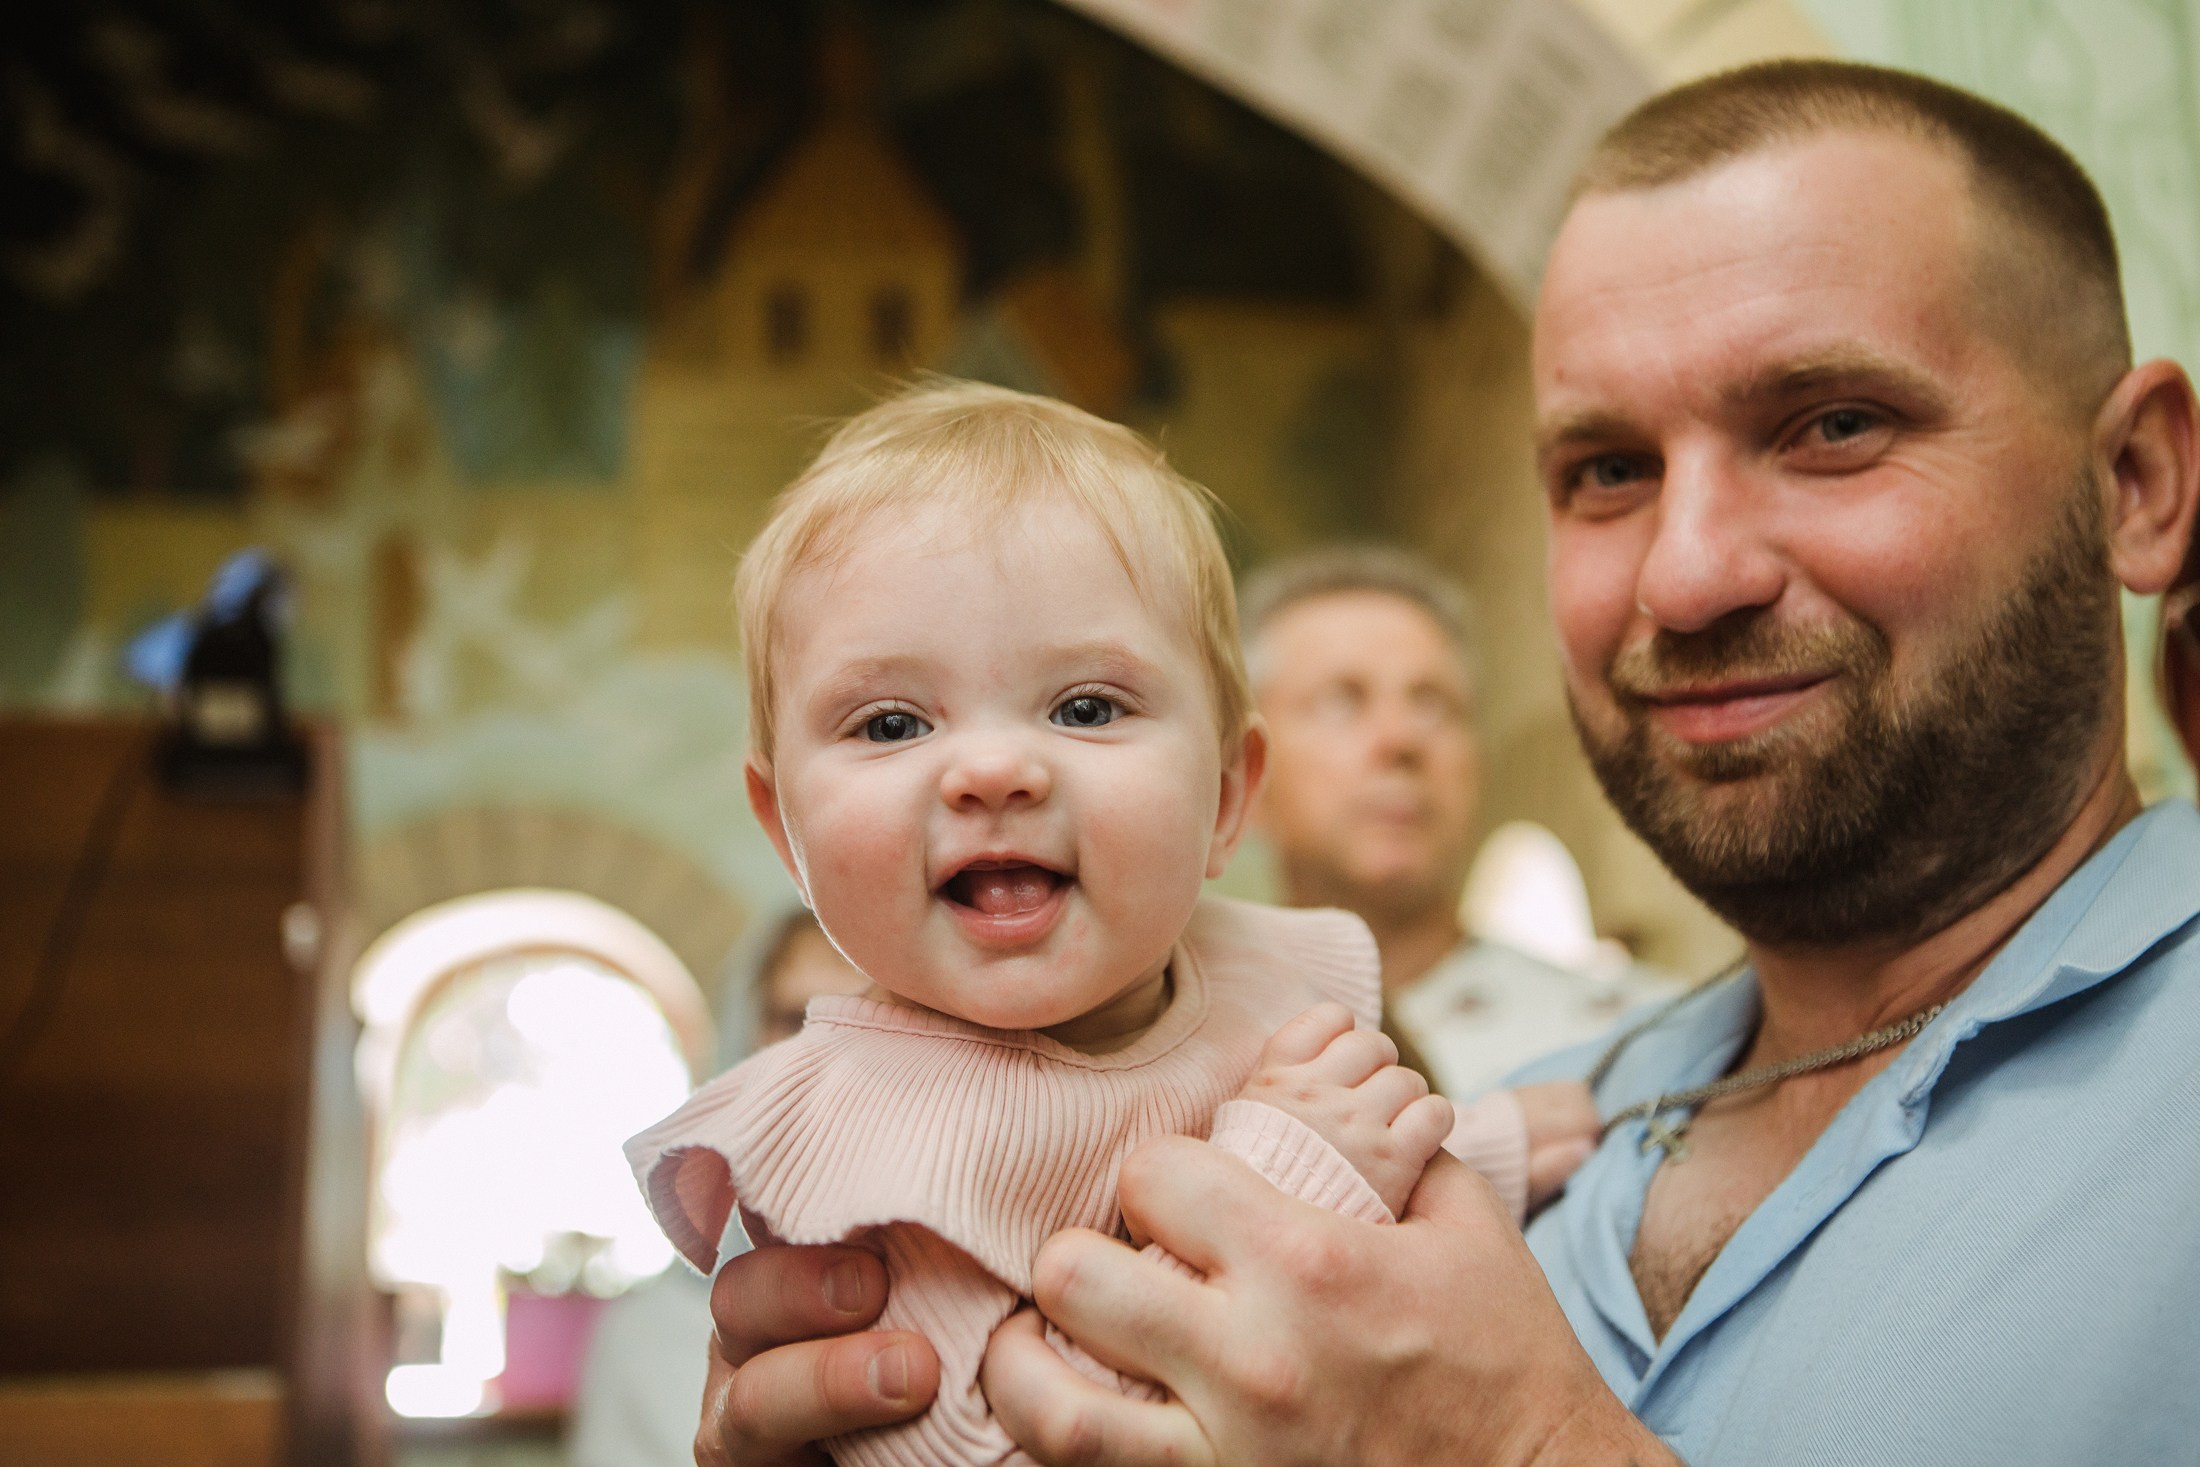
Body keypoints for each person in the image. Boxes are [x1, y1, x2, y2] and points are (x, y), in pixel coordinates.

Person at [686, 59, 2200, 1467]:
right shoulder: (1516, 1122)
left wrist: (1533, 1448)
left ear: (2135, 480)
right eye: (1608, 469)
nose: (1686, 576)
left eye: (1834, 425)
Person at [623, 382, 1596, 1466]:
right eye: (891, 723)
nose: (993, 768)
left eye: (1085, 707)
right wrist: (1283, 1176)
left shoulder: (1260, 980)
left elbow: (1393, 1192)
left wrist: (1492, 1150)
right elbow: (1008, 1438)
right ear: (786, 832)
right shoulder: (849, 1136)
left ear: (1225, 795)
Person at [1240, 546, 1680, 1100]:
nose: (1401, 740)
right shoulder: (1176, 1059)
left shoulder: (1646, 1043)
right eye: (1341, 703)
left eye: (1434, 704)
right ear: (1243, 779)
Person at [568, 909, 870, 1467]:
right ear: (746, 1040)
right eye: (796, 1019)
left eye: (865, 1020)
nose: (825, 1055)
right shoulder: (643, 1340)